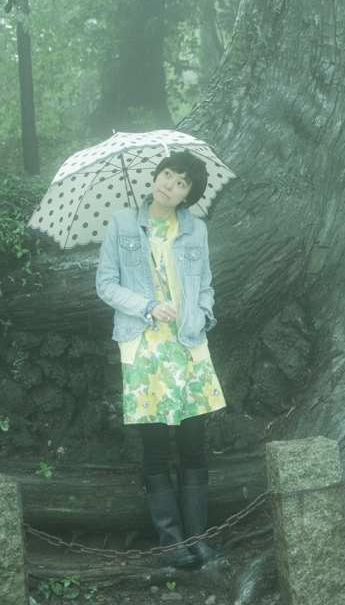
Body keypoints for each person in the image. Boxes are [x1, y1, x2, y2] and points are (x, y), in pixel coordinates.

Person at [96, 150, 226, 567]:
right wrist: (148, 304)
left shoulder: (196, 230)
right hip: (143, 346)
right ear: (156, 175)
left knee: (193, 447)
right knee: (154, 450)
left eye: (181, 182)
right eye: (167, 174)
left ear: (189, 194)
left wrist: (202, 313)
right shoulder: (120, 223)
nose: (169, 183)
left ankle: (198, 540)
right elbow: (106, 284)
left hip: (188, 345)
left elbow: (205, 284)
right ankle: (172, 544)